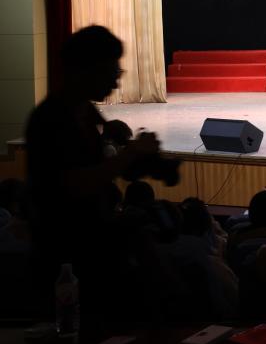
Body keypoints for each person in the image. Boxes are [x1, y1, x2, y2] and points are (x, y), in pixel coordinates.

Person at [24, 25, 164, 317]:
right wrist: (130, 154)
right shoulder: (51, 120)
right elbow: (73, 184)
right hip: (69, 255)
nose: (116, 80)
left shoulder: (86, 113)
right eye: (110, 70)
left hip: (93, 246)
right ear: (83, 70)